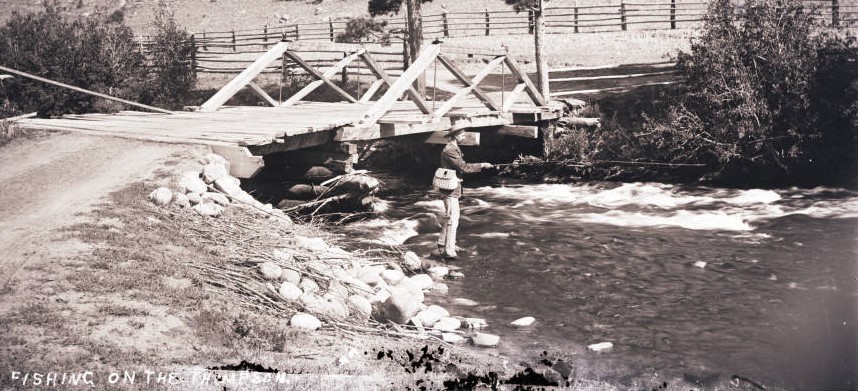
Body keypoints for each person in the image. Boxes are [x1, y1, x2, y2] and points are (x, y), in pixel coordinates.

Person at [436, 128, 492, 260]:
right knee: (452, 219)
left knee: (451, 217)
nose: (464, 137)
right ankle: (449, 250)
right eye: (462, 135)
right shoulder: (450, 150)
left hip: (452, 188)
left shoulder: (454, 148)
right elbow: (464, 167)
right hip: (449, 190)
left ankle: (442, 243)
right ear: (455, 136)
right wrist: (482, 165)